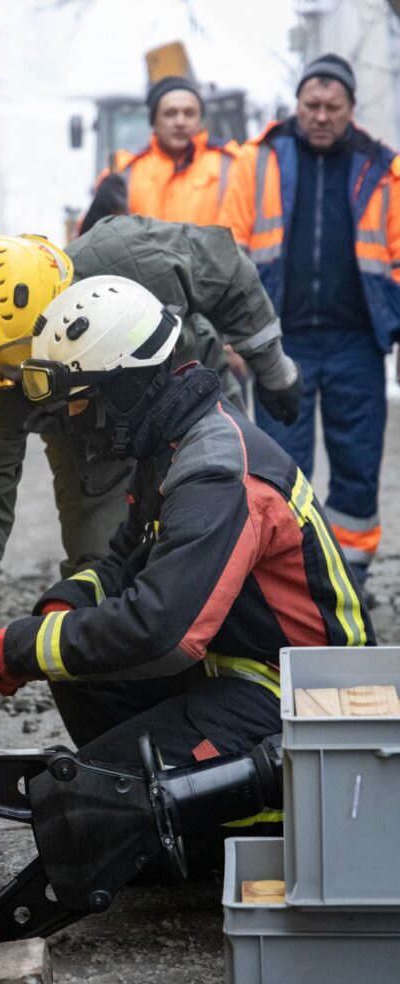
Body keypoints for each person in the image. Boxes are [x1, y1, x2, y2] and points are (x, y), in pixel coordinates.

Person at [0, 275, 375, 778]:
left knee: (94, 800)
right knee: (81, 686)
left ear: (125, 389)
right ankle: (159, 813)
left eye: (82, 401)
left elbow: (163, 632)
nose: (75, 420)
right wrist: (63, 606)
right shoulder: (168, 445)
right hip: (239, 670)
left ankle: (195, 821)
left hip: (304, 700)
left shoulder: (214, 472)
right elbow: (123, 563)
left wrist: (27, 648)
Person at [0, 218, 301, 703]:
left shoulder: (135, 257)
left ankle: (241, 674)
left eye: (24, 364)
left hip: (188, 401)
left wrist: (276, 370)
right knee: (107, 571)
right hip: (87, 438)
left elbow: (230, 274)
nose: (14, 381)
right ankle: (145, 706)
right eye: (5, 372)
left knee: (218, 540)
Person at [219, 54, 400, 597]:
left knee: (357, 464)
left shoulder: (383, 168)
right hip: (279, 343)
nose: (320, 116)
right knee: (281, 467)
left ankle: (352, 576)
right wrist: (234, 333)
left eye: (332, 107)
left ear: (350, 109)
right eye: (311, 105)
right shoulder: (259, 161)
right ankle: (293, 578)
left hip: (357, 343)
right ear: (297, 105)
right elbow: (228, 248)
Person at [80, 76, 240, 236]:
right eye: (170, 114)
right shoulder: (123, 171)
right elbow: (87, 244)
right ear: (154, 121)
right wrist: (96, 215)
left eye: (189, 113)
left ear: (200, 120)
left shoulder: (232, 164)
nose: (180, 121)